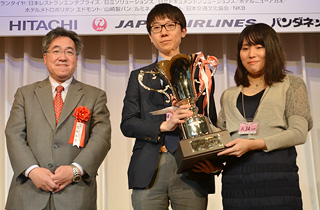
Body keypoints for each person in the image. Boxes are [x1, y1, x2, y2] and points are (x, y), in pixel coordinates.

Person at [195, 23, 313, 210]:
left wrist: (253, 144)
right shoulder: (229, 94)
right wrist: (215, 163)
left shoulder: (292, 84)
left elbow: (299, 133)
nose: (251, 54)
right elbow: (222, 138)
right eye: (245, 48)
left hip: (277, 181)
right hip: (236, 184)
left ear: (272, 49)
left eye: (259, 47)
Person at [121, 3, 219, 210]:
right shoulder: (139, 76)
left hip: (192, 168)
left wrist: (215, 164)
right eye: (156, 28)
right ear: (150, 36)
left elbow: (211, 120)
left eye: (170, 25)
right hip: (149, 168)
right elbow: (127, 124)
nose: (163, 32)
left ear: (183, 30)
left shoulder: (200, 72)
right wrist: (163, 126)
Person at [5, 27, 111, 210]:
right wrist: (32, 170)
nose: (63, 57)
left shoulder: (95, 95)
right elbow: (14, 134)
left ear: (76, 60)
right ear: (45, 58)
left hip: (75, 194)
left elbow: (101, 138)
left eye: (69, 52)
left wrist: (76, 169)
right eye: (56, 51)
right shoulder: (25, 94)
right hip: (28, 193)